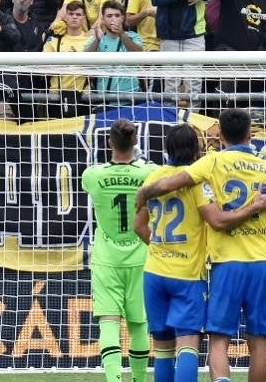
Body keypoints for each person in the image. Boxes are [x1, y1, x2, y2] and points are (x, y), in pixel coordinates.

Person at [135, 109, 266, 382]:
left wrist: (146, 192)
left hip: (220, 262)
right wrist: (253, 210)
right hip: (260, 259)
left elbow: (178, 189)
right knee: (259, 340)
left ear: (220, 136)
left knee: (217, 339)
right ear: (250, 134)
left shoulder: (210, 165)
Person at [80, 119, 155, 382]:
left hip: (106, 259)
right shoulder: (149, 174)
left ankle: (114, 379)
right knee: (139, 323)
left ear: (110, 142)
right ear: (135, 141)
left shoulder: (93, 175)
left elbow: (91, 182)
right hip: (140, 256)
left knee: (109, 322)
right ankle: (138, 380)